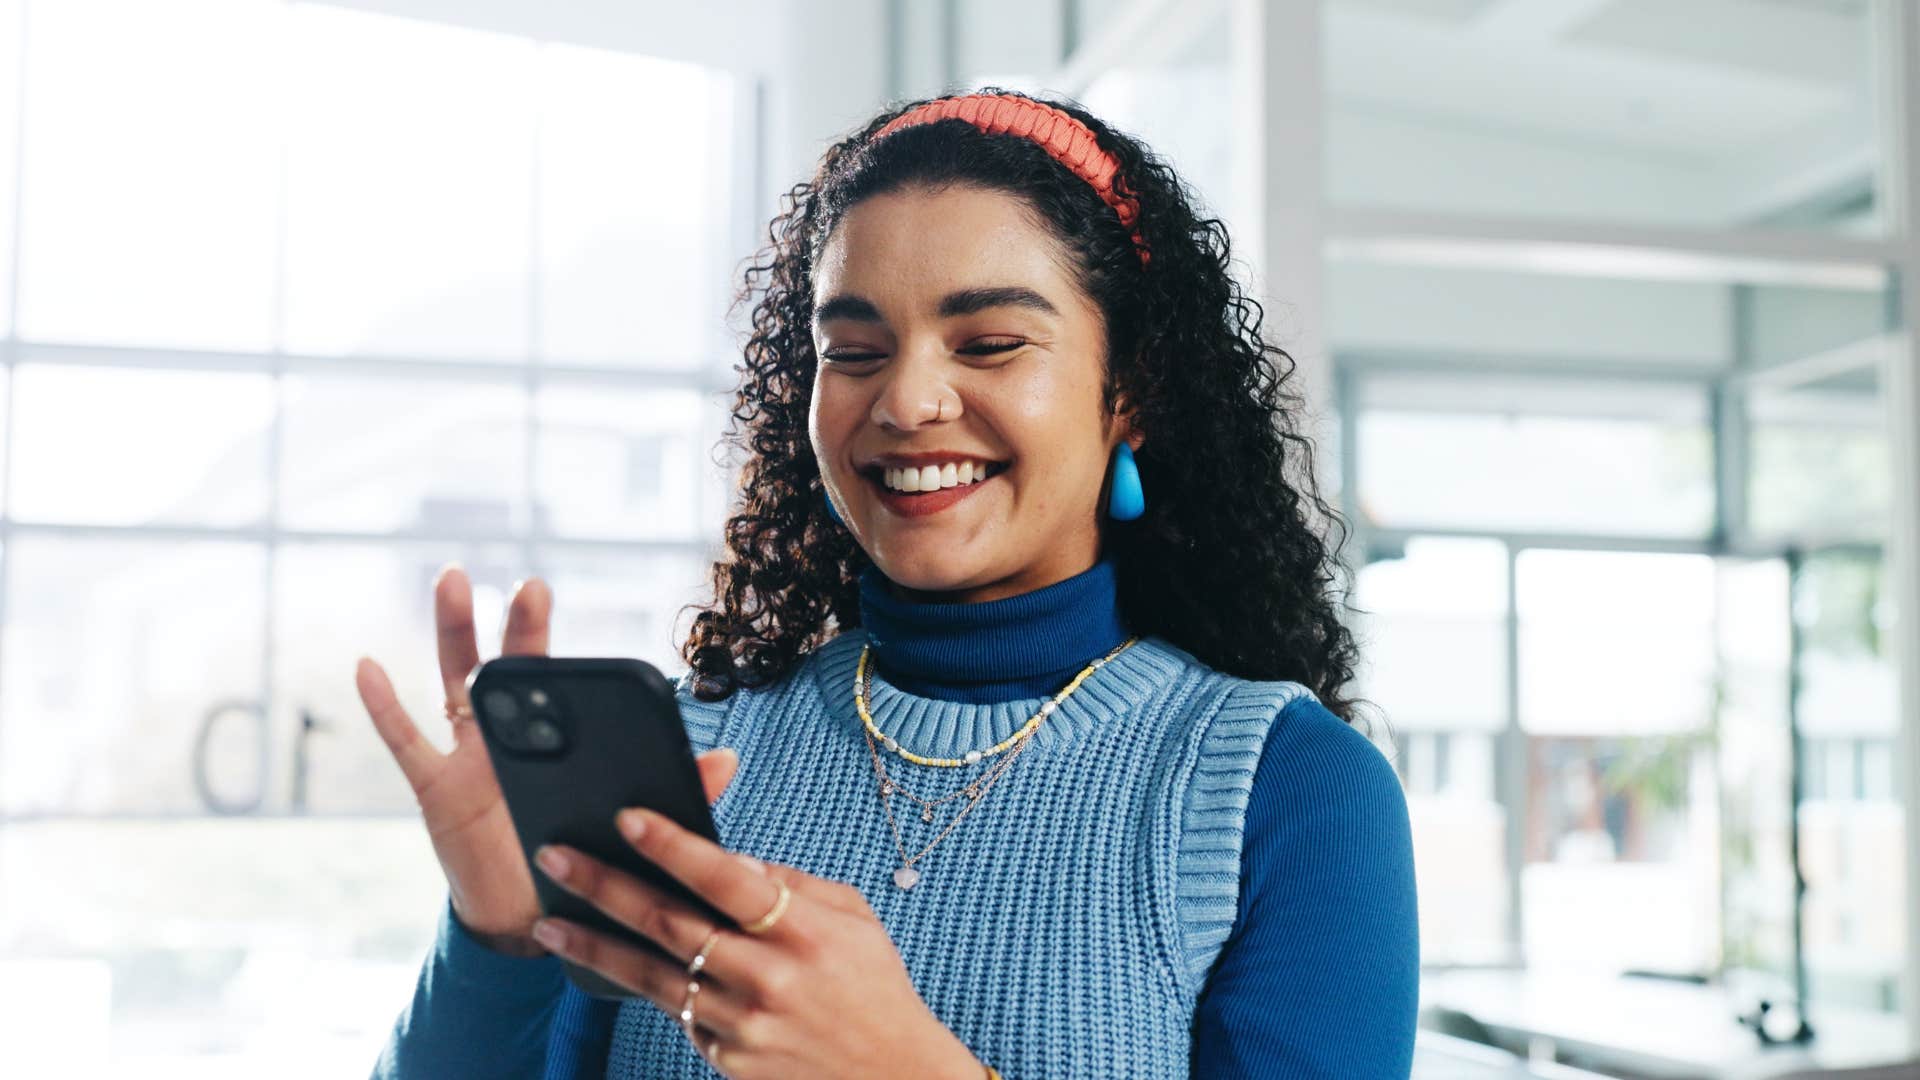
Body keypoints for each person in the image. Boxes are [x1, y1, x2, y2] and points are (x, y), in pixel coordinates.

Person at [359, 88, 1419, 1079]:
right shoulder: (691, 759)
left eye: (991, 343)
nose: (907, 401)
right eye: (855, 350)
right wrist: (499, 943)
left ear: (1128, 392)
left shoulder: (1288, 792)